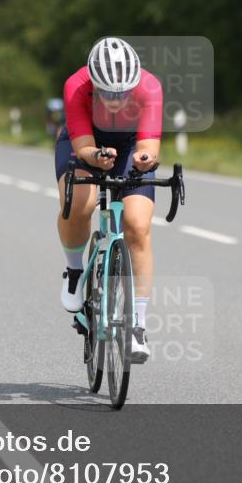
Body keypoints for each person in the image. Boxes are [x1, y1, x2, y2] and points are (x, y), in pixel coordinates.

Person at [55, 37, 162, 364]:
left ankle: (138, 326)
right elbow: (84, 144)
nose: (116, 100)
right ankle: (75, 272)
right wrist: (94, 156)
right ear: (94, 83)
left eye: (123, 93)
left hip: (129, 147)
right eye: (108, 93)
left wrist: (145, 159)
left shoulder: (150, 88)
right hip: (85, 144)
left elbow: (149, 145)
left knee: (138, 226)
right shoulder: (76, 86)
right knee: (79, 207)